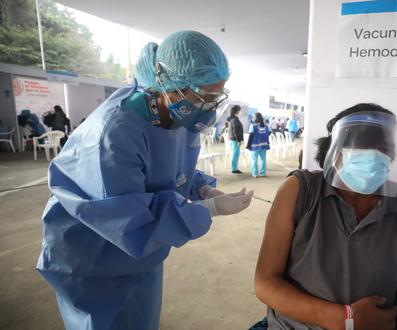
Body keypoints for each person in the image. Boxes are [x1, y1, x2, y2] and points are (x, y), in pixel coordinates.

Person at [36, 30, 254, 330]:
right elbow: (131, 222)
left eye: (217, 95)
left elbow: (173, 166)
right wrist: (208, 210)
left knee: (143, 318)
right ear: (169, 83)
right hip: (94, 255)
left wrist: (201, 187)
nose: (210, 104)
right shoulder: (115, 134)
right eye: (204, 95)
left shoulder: (181, 115)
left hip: (143, 256)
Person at [254, 104, 397, 330]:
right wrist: (345, 319)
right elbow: (265, 282)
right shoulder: (300, 190)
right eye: (364, 146)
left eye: (384, 148)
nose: (376, 158)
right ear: (336, 150)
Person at [247, 112, 270, 178]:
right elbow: (269, 133)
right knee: (263, 159)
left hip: (255, 145)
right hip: (264, 145)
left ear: (255, 118)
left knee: (254, 159)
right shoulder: (265, 126)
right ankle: (263, 173)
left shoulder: (253, 125)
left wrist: (248, 145)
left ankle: (255, 173)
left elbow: (251, 135)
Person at [227, 104, 244, 174]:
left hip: (234, 139)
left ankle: (235, 168)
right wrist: (238, 140)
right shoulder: (234, 119)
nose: (241, 112)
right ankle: (234, 169)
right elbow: (235, 131)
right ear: (237, 111)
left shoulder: (234, 119)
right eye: (240, 110)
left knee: (236, 153)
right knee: (235, 154)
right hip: (235, 140)